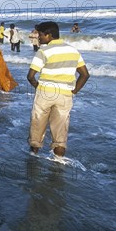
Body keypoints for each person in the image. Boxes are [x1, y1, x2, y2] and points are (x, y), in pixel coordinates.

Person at [27, 21, 89, 157]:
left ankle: (33, 157)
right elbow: (85, 74)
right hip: (65, 95)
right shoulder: (73, 50)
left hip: (45, 93)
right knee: (60, 134)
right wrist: (74, 91)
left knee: (37, 128)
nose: (38, 38)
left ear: (48, 35)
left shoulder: (43, 51)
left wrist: (39, 88)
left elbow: (30, 76)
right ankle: (59, 162)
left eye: (40, 35)